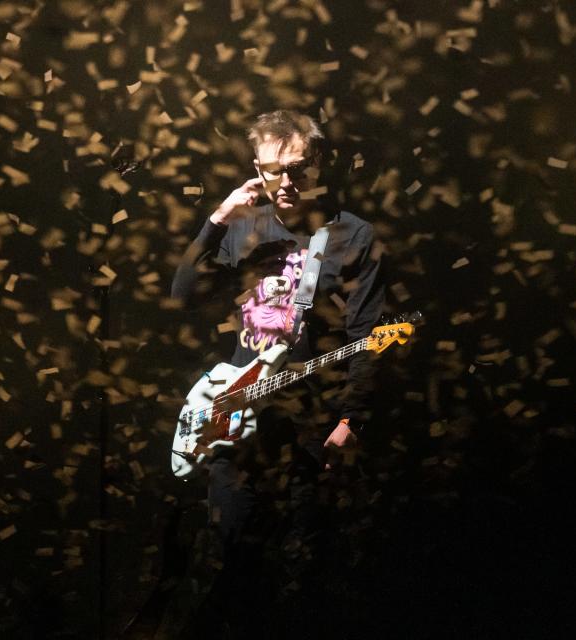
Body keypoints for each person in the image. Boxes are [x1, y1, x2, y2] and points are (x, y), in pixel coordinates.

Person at [161, 109, 386, 637]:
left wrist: (351, 419)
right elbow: (183, 294)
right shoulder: (245, 226)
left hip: (308, 427)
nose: (284, 182)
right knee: (233, 563)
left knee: (301, 570)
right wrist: (218, 217)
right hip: (236, 423)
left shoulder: (353, 236)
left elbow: (368, 339)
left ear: (320, 162)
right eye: (270, 170)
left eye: (298, 169)